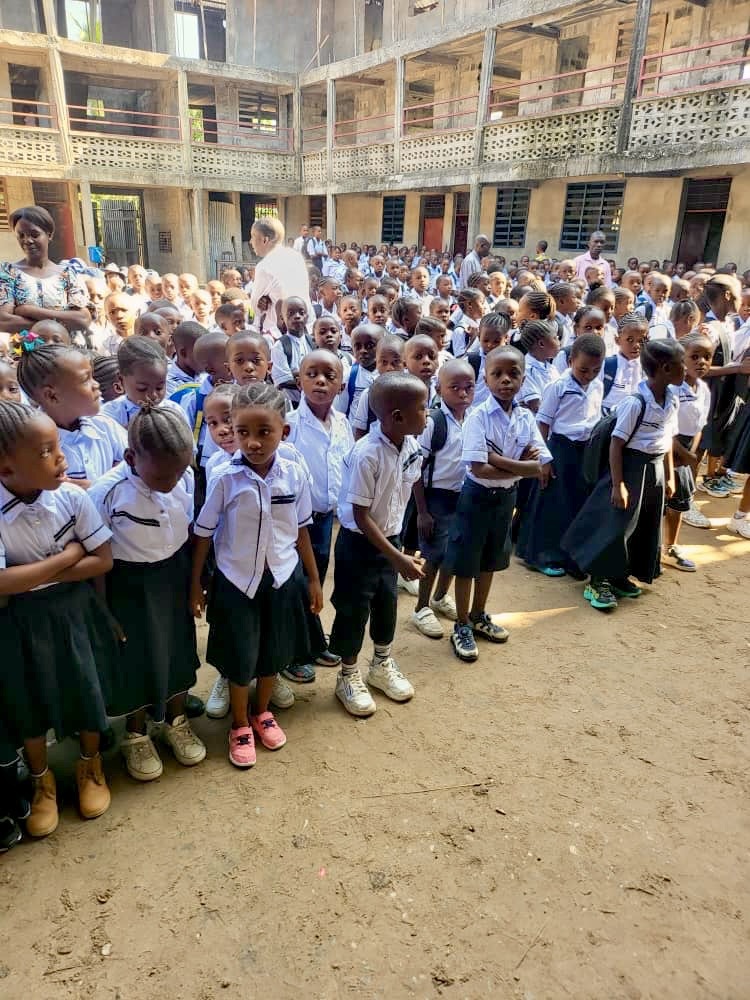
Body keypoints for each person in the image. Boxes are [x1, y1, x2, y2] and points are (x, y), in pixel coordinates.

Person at [0, 400, 117, 837]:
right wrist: (67, 558)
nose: (61, 458)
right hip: (20, 622)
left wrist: (29, 577)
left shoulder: (72, 497)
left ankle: (90, 766)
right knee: (27, 698)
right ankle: (41, 781)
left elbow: (102, 559)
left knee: (84, 686)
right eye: (47, 451)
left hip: (72, 612)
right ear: (7, 469)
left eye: (58, 446)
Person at [190, 383, 323, 768]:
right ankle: (238, 724)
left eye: (264, 432)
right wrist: (196, 584)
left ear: (285, 431)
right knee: (240, 657)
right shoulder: (224, 478)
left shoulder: (294, 475)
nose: (252, 442)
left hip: (281, 578)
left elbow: (301, 529)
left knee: (272, 653)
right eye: (243, 431)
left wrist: (313, 579)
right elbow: (203, 534)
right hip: (236, 583)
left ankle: (262, 712)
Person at [89, 406, 205, 781]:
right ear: (130, 458)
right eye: (162, 475)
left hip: (173, 575)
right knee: (134, 657)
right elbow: (97, 555)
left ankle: (175, 720)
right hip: (127, 585)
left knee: (179, 648)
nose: (173, 481)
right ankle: (136, 734)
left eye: (179, 472)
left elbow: (189, 533)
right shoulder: (106, 493)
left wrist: (194, 584)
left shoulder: (184, 476)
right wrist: (104, 609)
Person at [442, 346, 551, 662]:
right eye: (497, 374)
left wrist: (498, 459)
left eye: (513, 374)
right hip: (476, 497)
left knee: (490, 561)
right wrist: (520, 465)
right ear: (485, 379)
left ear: (523, 379)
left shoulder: (525, 417)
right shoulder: (478, 417)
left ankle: (479, 615)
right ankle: (462, 623)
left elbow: (540, 465)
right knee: (467, 563)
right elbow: (478, 469)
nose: (505, 380)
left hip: (506, 499)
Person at [329, 372, 427, 717]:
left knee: (387, 604)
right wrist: (397, 557)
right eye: (423, 408)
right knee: (353, 610)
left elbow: (407, 489)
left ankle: (381, 665)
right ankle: (347, 675)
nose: (427, 414)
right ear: (397, 417)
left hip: (391, 539)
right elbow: (359, 515)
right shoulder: (367, 454)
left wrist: (402, 545)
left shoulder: (411, 445)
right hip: (360, 545)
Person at [562, 338, 685, 612]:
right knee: (616, 526)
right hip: (630, 469)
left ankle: (620, 575)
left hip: (654, 469)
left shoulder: (672, 400)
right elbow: (617, 444)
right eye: (681, 364)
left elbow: (667, 438)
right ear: (665, 368)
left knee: (643, 524)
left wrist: (669, 476)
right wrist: (618, 485)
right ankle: (598, 581)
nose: (685, 369)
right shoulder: (636, 403)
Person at [284, 350, 353, 681]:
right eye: (312, 374)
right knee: (295, 582)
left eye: (329, 376)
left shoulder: (342, 423)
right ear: (299, 381)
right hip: (294, 522)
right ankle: (291, 652)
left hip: (324, 518)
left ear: (341, 386)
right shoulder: (290, 425)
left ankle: (312, 640)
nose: (321, 381)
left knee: (316, 580)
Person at [517, 335, 605, 577]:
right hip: (559, 449)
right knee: (551, 503)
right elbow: (543, 424)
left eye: (595, 370)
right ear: (570, 361)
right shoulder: (558, 387)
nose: (589, 375)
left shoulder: (597, 386)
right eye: (583, 369)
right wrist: (544, 460)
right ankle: (539, 556)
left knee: (575, 503)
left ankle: (569, 555)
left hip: (584, 450)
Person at [410, 359, 475, 639]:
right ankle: (421, 607)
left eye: (468, 387)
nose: (462, 393)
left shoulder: (472, 419)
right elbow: (416, 469)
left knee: (454, 553)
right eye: (454, 387)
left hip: (463, 496)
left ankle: (439, 597)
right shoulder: (433, 423)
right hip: (435, 498)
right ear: (439, 389)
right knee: (433, 555)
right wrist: (422, 512)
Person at [16, 342, 127, 488]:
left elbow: (135, 465)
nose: (96, 384)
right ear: (52, 396)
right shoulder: (35, 446)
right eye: (86, 379)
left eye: (93, 377)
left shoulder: (105, 426)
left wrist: (96, 486)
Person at [662, 332, 714, 565]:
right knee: (658, 499)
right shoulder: (672, 389)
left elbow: (699, 426)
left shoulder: (703, 390)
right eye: (695, 356)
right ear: (680, 359)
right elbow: (665, 430)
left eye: (707, 357)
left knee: (679, 501)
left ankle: (670, 547)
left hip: (686, 449)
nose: (701, 362)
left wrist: (691, 454)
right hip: (666, 448)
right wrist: (685, 455)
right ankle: (647, 550)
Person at [0, 206, 92, 336]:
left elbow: (83, 319)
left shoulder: (67, 274)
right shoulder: (8, 273)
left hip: (64, 348)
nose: (27, 240)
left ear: (49, 235)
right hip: (24, 349)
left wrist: (29, 310)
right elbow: (3, 321)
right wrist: (58, 323)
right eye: (21, 235)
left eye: (34, 235)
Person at [101, 337, 189, 428]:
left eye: (159, 388)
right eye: (142, 389)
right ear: (121, 380)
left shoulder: (175, 413)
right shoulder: (109, 417)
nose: (153, 395)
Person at [249, 218, 314, 338]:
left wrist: (262, 302)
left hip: (278, 333)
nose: (250, 241)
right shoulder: (296, 257)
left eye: (253, 236)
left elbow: (255, 308)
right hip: (304, 325)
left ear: (264, 240)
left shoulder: (264, 266)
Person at [270, 297, 314, 406]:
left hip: (313, 402)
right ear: (282, 317)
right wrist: (311, 380)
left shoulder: (313, 342)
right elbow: (283, 380)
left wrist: (299, 376)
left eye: (301, 313)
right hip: (291, 403)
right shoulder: (280, 346)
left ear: (307, 316)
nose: (297, 316)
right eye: (291, 313)